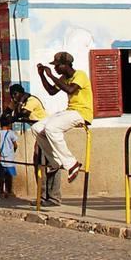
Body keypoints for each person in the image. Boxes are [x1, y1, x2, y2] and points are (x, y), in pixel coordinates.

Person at [31, 51, 93, 182]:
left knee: (52, 128)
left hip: (82, 113)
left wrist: (51, 75)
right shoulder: (64, 78)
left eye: (57, 66)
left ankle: (72, 163)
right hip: (70, 111)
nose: (55, 68)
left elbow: (70, 90)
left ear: (66, 65)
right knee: (37, 128)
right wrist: (42, 76)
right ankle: (56, 162)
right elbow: (52, 91)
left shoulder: (79, 75)